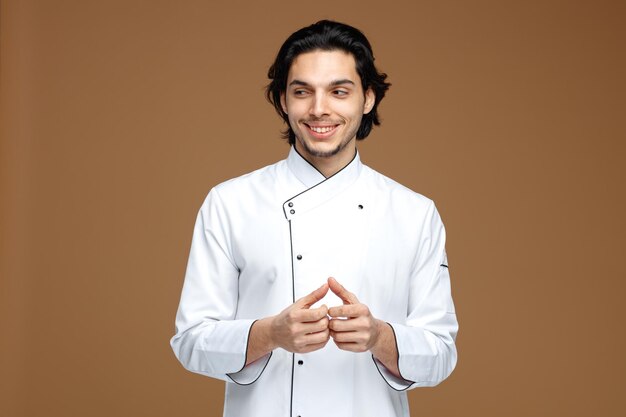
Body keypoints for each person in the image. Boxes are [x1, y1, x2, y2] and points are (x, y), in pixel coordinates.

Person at [170, 20, 458, 417]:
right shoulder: (229, 203)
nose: (319, 109)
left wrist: (379, 336)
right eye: (302, 91)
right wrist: (269, 333)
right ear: (284, 101)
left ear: (368, 98)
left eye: (339, 91)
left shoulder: (414, 213)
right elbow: (190, 342)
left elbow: (441, 354)